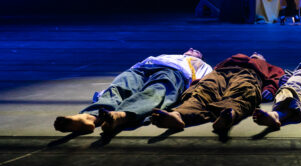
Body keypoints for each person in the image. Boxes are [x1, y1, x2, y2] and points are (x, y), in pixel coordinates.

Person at [53, 48, 212, 135]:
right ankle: (89, 117)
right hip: (142, 69)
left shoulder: (203, 65)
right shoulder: (168, 55)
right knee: (119, 88)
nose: (192, 49)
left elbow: (202, 84)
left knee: (155, 92)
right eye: (190, 49)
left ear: (200, 56)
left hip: (175, 73)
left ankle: (120, 116)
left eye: (196, 50)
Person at [151, 52, 284, 139]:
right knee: (204, 91)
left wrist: (270, 88)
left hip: (248, 74)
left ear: (264, 59)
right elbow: (208, 73)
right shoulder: (231, 59)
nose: (255, 53)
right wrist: (198, 83)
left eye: (259, 54)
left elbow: (278, 77)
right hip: (219, 73)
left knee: (243, 91)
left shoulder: (267, 65)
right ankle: (177, 115)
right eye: (254, 53)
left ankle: (228, 115)